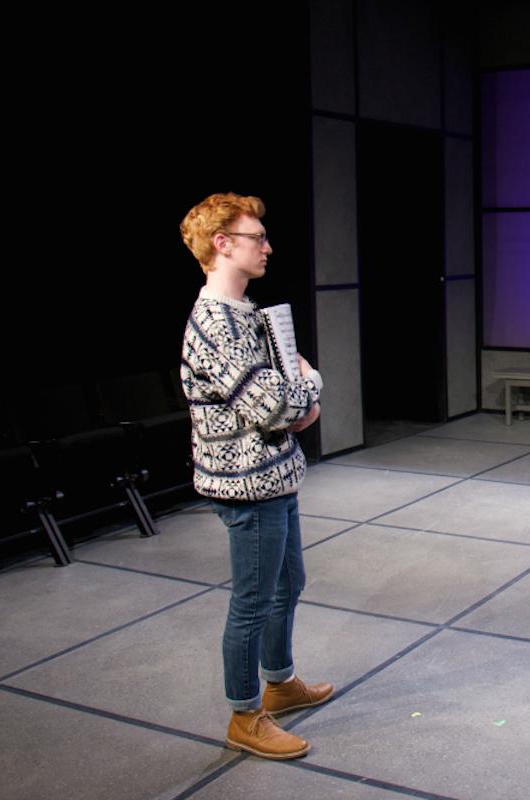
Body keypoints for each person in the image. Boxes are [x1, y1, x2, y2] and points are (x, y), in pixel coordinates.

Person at [179, 192, 333, 759]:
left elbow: (282, 401)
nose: (267, 247)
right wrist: (311, 386)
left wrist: (298, 396)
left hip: (274, 474)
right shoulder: (215, 323)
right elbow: (276, 405)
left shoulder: (243, 312)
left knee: (287, 585)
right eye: (256, 238)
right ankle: (244, 714)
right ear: (222, 244)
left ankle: (281, 682)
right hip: (247, 483)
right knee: (252, 601)